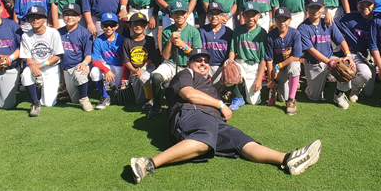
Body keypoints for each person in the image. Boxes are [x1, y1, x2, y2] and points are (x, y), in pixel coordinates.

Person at [128, 48, 322, 184]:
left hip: (213, 120)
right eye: (198, 60)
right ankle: (147, 163)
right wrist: (221, 104)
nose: (203, 63)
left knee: (244, 142)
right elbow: (189, 94)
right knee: (204, 139)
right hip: (191, 113)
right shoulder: (185, 74)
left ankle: (287, 159)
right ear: (189, 63)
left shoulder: (208, 83)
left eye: (205, 60)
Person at [295, 0, 358, 109]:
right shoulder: (302, 28)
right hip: (314, 63)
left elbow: (341, 40)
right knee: (315, 97)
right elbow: (311, 50)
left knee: (347, 68)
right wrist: (330, 62)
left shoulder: (327, 22)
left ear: (323, 8)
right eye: (312, 7)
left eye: (318, 7)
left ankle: (339, 94)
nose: (315, 10)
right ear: (306, 8)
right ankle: (310, 88)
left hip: (330, 58)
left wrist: (348, 54)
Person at [153, 0, 203, 117]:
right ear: (171, 14)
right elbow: (165, 56)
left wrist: (184, 46)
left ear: (187, 14)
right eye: (176, 13)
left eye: (182, 13)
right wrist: (170, 41)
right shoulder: (167, 31)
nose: (179, 16)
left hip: (188, 65)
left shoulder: (193, 31)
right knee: (155, 77)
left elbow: (197, 56)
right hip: (171, 63)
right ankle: (156, 105)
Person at [18, 5, 64, 117]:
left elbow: (57, 56)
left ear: (45, 19)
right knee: (25, 74)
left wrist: (39, 65)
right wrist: (32, 66)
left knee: (48, 103)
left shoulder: (53, 32)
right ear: (28, 20)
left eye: (38, 17)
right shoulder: (26, 35)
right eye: (32, 17)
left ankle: (39, 87)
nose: (35, 20)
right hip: (34, 66)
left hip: (50, 67)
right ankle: (35, 102)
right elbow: (27, 57)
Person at [334, 0, 377, 102]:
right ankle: (355, 90)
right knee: (365, 74)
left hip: (370, 56)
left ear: (374, 6)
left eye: (368, 5)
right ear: (357, 5)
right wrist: (329, 16)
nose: (365, 8)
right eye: (361, 5)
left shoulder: (377, 20)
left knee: (368, 93)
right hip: (354, 54)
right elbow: (332, 23)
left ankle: (355, 82)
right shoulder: (350, 18)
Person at [226, 2, 269, 108]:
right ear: (243, 15)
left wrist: (259, 79)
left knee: (253, 101)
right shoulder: (238, 30)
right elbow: (232, 50)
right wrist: (230, 64)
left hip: (254, 66)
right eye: (247, 14)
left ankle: (242, 87)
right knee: (228, 73)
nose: (250, 18)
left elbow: (263, 59)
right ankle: (238, 97)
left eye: (253, 15)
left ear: (259, 15)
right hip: (240, 62)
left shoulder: (262, 32)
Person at [56, 3, 96, 112]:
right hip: (66, 69)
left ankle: (85, 99)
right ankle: (77, 92)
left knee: (79, 74)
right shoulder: (58, 32)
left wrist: (84, 63)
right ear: (62, 16)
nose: (69, 17)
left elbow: (88, 55)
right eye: (66, 14)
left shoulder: (85, 33)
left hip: (79, 65)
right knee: (74, 100)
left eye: (73, 15)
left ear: (79, 17)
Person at [120, 12, 161, 114]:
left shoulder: (149, 40)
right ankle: (147, 97)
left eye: (142, 24)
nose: (138, 26)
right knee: (139, 100)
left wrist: (142, 69)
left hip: (147, 68)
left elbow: (151, 58)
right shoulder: (127, 41)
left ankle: (151, 99)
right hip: (134, 71)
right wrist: (134, 71)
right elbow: (126, 60)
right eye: (135, 24)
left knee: (144, 77)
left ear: (146, 26)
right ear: (130, 25)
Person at [264, 7, 303, 115]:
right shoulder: (270, 37)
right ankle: (276, 88)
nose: (282, 23)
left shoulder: (295, 33)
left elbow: (296, 56)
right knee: (281, 98)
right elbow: (269, 60)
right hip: (277, 67)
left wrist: (279, 66)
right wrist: (271, 79)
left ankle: (291, 101)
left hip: (288, 64)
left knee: (295, 67)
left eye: (284, 20)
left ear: (290, 20)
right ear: (275, 21)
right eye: (279, 20)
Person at [91, 12, 126, 110]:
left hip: (120, 68)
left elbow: (126, 61)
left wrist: (124, 79)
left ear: (117, 26)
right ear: (101, 26)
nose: (109, 27)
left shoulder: (122, 40)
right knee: (94, 71)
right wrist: (106, 70)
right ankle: (105, 96)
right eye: (106, 25)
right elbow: (95, 61)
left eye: (112, 25)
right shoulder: (98, 40)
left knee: (120, 96)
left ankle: (117, 87)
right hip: (108, 66)